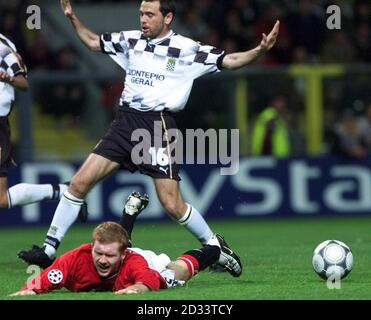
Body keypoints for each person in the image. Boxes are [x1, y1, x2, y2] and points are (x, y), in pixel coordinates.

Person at [18, 0, 279, 269]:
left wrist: (259, 50)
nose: (143, 19)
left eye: (150, 14)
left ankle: (214, 245)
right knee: (78, 184)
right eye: (141, 13)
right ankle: (49, 250)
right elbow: (94, 42)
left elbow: (230, 60)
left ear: (167, 18)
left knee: (171, 203)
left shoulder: (186, 49)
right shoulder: (131, 40)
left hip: (157, 127)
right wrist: (72, 18)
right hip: (123, 123)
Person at [11, 219, 241, 296]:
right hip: (124, 262)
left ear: (122, 254)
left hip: (145, 264)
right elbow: (41, 282)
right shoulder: (75, 259)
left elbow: (148, 280)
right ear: (92, 246)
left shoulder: (133, 261)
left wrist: (138, 288)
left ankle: (215, 250)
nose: (101, 259)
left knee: (177, 271)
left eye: (109, 255)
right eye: (98, 252)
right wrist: (27, 291)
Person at [0, 33, 77, 212]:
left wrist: (7, 79)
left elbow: (23, 83)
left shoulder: (4, 48)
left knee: (1, 200)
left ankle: (63, 191)